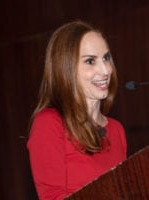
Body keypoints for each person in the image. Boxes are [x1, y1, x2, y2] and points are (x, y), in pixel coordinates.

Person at [27, 20, 127, 200]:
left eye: (106, 58)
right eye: (90, 61)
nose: (105, 70)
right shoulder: (49, 123)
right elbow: (52, 197)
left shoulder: (117, 130)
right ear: (66, 69)